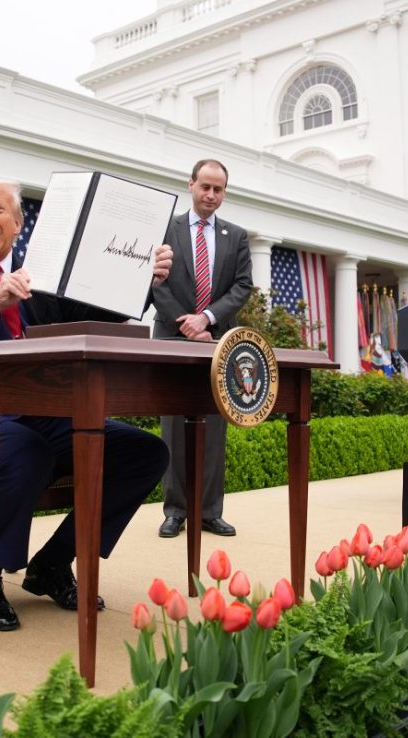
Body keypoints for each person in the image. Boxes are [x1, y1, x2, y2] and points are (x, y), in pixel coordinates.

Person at [0, 178, 173, 631]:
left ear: (19, 223)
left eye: (0, 210)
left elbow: (95, 313)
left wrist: (143, 279)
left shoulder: (43, 275)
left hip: (42, 415)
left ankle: (52, 563)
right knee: (26, 450)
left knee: (146, 453)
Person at [151, 159, 253, 539]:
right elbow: (155, 283)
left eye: (219, 189)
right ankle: (175, 510)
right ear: (191, 184)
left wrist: (206, 318)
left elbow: (242, 286)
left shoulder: (236, 235)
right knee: (174, 424)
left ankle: (210, 511)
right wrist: (186, 322)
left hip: (217, 341)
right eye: (205, 187)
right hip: (172, 337)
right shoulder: (165, 228)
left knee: (213, 424)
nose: (211, 195)